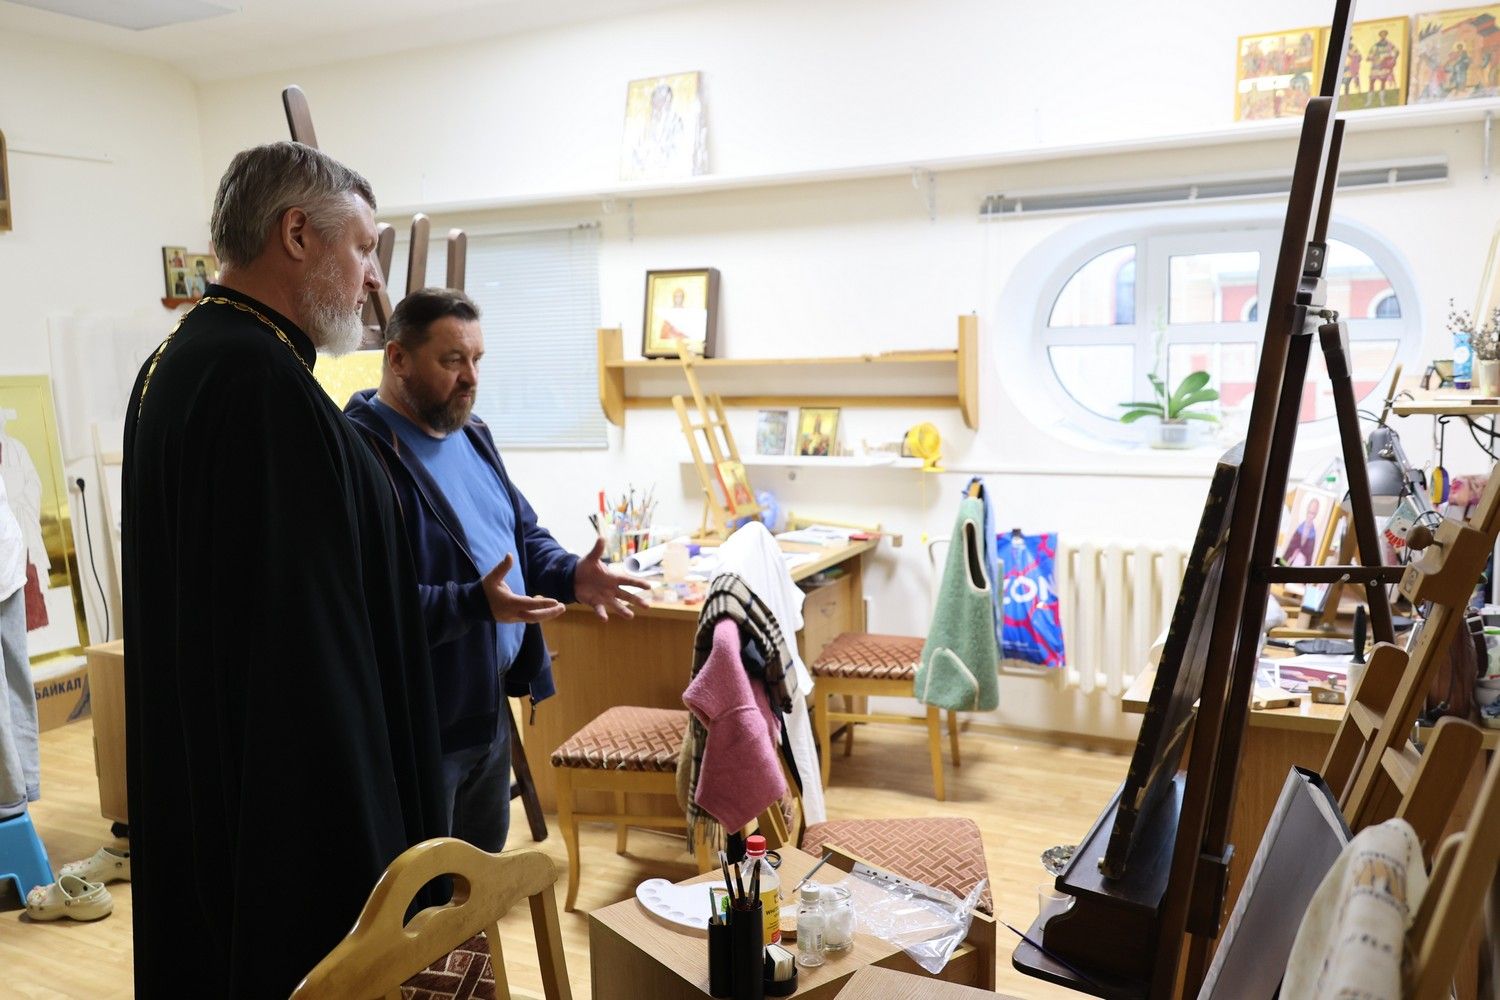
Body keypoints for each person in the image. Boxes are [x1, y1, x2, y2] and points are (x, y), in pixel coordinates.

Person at [122, 141, 448, 998]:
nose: (374, 278)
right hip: (295, 817)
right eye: (363, 247)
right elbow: (307, 653)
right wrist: (372, 851)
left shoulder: (181, 361)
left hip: (212, 780)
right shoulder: (260, 383)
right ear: (297, 234)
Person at [344, 287, 647, 852]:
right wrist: (471, 603)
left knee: (482, 883)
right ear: (398, 358)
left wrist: (571, 574)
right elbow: (365, 602)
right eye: (452, 360)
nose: (471, 377)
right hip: (420, 727)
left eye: (477, 359)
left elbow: (519, 534)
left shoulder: (473, 434)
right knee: (426, 893)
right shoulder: (360, 456)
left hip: (488, 712)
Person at [1282, 497, 1321, 567]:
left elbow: (1309, 557)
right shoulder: (1299, 529)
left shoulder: (1313, 534)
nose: (1311, 516)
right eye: (1309, 512)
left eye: (1313, 514)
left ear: (1316, 514)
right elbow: (1289, 550)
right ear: (1307, 510)